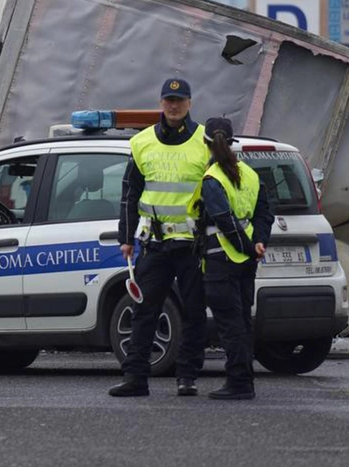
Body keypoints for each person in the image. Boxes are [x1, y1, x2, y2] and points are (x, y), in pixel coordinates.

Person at [109, 78, 209, 397]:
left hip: (193, 245)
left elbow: (217, 191)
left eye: (179, 100)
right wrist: (126, 236)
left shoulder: (205, 141)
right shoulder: (142, 142)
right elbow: (130, 193)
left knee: (193, 312)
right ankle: (136, 377)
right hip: (154, 243)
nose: (174, 105)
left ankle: (188, 376)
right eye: (169, 99)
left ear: (190, 103)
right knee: (144, 311)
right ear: (161, 102)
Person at [189, 116, 273, 400]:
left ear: (206, 143)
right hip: (245, 262)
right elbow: (264, 214)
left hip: (221, 259)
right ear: (232, 141)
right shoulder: (250, 173)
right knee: (242, 321)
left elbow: (224, 221)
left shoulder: (213, 179)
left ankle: (238, 382)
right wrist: (258, 242)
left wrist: (248, 247)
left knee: (230, 324)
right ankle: (244, 381)